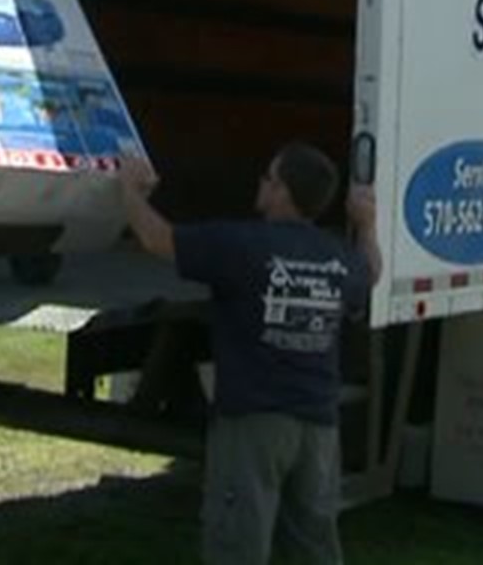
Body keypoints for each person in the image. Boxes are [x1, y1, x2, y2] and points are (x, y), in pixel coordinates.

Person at [119, 145, 381, 565]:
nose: (260, 183)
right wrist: (366, 225)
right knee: (313, 543)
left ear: (283, 192)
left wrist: (129, 191)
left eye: (268, 177)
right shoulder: (337, 258)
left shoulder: (241, 246)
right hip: (317, 429)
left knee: (237, 542)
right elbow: (370, 274)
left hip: (254, 424)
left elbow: (157, 239)